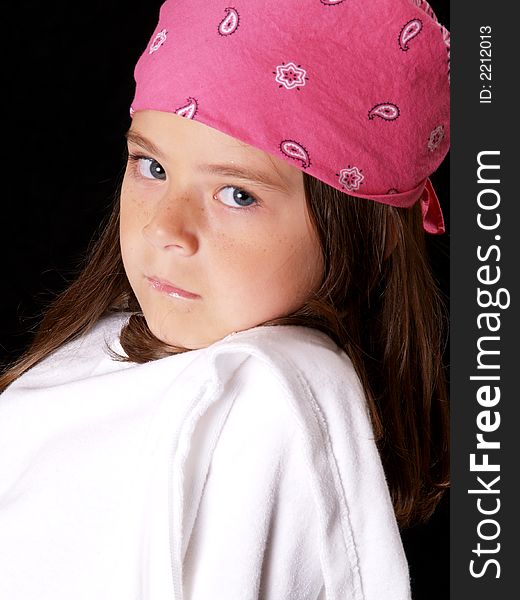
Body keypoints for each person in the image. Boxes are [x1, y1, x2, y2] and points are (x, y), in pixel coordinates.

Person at [0, 0, 450, 598]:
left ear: (356, 232)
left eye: (237, 194)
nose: (166, 229)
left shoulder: (259, 393)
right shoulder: (104, 347)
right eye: (152, 166)